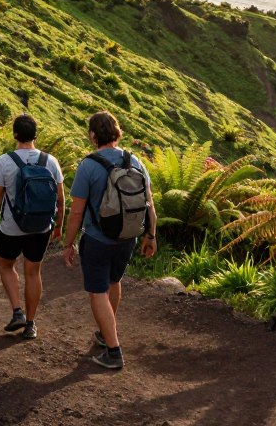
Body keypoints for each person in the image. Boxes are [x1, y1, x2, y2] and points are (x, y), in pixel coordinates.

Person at [62, 111, 157, 370]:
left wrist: (68, 243)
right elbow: (149, 202)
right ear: (117, 132)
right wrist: (151, 235)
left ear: (93, 135)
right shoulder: (134, 161)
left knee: (97, 290)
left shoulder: (89, 165)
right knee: (114, 282)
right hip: (129, 237)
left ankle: (113, 351)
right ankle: (106, 333)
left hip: (98, 238)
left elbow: (77, 212)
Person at [0, 114, 64, 340]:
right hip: (41, 227)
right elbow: (60, 198)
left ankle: (16, 311)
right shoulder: (50, 161)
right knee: (33, 271)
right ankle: (31, 324)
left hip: (12, 226)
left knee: (7, 265)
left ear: (15, 135)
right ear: (35, 136)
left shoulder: (4, 161)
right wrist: (58, 225)